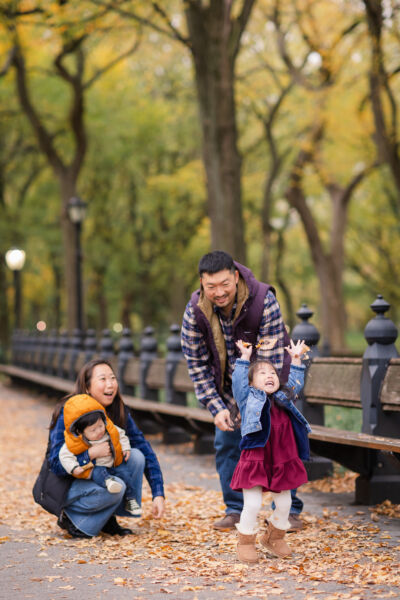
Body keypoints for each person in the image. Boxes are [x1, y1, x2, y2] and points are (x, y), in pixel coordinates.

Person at [181, 250, 304, 531]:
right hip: (226, 388)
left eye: (225, 284)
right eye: (211, 286)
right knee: (227, 443)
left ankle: (288, 510)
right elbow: (197, 364)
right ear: (202, 283)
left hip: (271, 385)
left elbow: (271, 359)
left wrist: (252, 405)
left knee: (279, 443)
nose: (219, 292)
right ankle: (236, 509)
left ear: (235, 277)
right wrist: (217, 407)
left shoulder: (263, 300)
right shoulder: (195, 311)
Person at [47, 358, 165, 538]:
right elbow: (55, 464)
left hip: (102, 475)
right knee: (116, 487)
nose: (110, 384)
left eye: (113, 378)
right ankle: (69, 515)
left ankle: (108, 518)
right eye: (103, 379)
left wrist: (158, 493)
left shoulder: (118, 410)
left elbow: (145, 449)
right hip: (69, 485)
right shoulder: (69, 412)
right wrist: (90, 454)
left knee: (136, 457)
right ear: (87, 388)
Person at [230, 339, 311, 563]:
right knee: (253, 503)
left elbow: (295, 384)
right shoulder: (248, 398)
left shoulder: (283, 398)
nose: (269, 376)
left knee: (285, 504)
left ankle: (274, 538)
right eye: (262, 373)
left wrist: (296, 360)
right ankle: (246, 542)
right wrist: (244, 358)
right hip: (256, 457)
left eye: (273, 373)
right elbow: (238, 383)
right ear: (251, 383)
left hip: (282, 458)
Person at [59, 393, 142, 516]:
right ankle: (108, 482)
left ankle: (131, 499)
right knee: (98, 473)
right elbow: (64, 456)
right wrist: (73, 467)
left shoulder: (109, 429)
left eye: (100, 426)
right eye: (93, 430)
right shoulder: (74, 442)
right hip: (96, 467)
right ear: (80, 431)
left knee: (126, 475)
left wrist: (125, 448)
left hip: (113, 462)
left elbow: (121, 435)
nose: (99, 431)